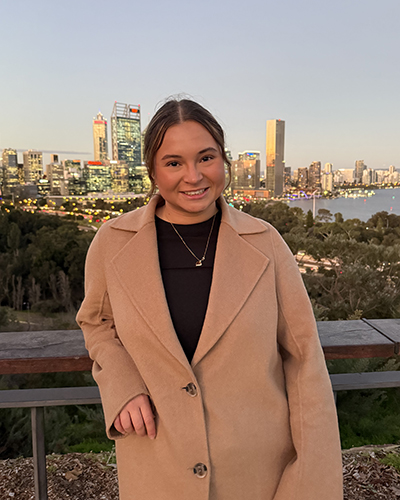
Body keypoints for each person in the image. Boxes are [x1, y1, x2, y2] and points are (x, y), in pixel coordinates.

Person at [76, 98, 343, 500]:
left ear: (225, 161)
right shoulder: (112, 243)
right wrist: (121, 384)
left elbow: (305, 361)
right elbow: (96, 323)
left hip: (259, 474)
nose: (194, 175)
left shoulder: (266, 243)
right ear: (152, 170)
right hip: (156, 468)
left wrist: (309, 480)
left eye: (206, 157)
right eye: (174, 162)